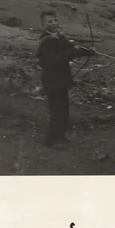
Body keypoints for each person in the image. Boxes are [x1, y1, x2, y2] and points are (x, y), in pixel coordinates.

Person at [35, 9, 95, 148]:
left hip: (61, 79)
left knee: (63, 109)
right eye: (50, 21)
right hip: (52, 80)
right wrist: (71, 52)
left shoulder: (58, 36)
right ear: (43, 24)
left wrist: (86, 51)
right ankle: (52, 141)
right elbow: (54, 60)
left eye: (55, 20)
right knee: (58, 110)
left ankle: (60, 136)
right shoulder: (47, 41)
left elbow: (70, 47)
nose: (54, 23)